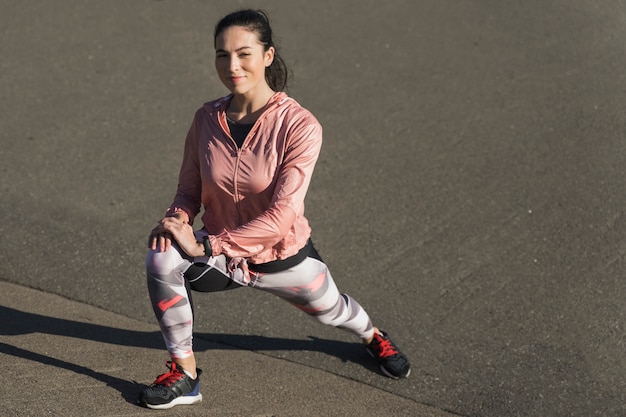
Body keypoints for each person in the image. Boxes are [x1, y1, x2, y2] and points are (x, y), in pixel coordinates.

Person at [138, 9, 410, 410]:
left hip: (280, 258)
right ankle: (186, 375)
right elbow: (188, 190)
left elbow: (283, 215)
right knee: (161, 257)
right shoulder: (205, 119)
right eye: (222, 55)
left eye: (244, 53)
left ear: (268, 55)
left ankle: (372, 335)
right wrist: (177, 219)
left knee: (333, 311)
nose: (232, 66)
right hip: (221, 257)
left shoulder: (299, 126)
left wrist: (209, 246)